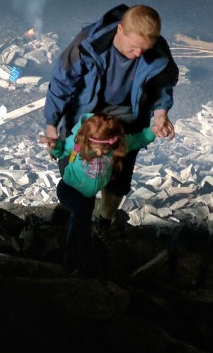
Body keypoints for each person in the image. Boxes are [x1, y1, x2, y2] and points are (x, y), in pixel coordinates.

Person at [43, 4, 179, 230]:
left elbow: (162, 85)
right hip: (84, 119)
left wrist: (161, 114)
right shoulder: (88, 44)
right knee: (76, 177)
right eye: (134, 47)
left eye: (145, 49)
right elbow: (61, 83)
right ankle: (76, 219)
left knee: (118, 180)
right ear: (120, 30)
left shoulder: (156, 51)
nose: (138, 55)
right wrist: (51, 125)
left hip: (127, 121)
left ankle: (104, 223)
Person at [47, 113, 156, 273]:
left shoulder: (116, 145)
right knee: (81, 215)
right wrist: (55, 146)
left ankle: (76, 253)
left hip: (88, 196)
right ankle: (75, 256)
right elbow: (62, 151)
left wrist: (153, 130)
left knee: (81, 219)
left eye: (105, 149)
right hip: (68, 189)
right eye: (96, 148)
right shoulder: (78, 142)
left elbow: (138, 139)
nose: (99, 153)